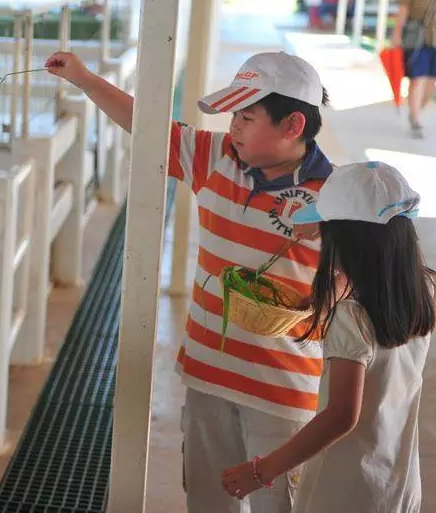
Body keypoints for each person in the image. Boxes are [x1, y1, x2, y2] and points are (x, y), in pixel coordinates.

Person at [45, 50, 333, 512]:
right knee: (207, 499)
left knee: (280, 504)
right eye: (233, 114)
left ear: (293, 125)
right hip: (207, 371)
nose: (233, 126)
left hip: (283, 388)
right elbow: (148, 124)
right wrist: (85, 79)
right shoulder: (214, 158)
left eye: (247, 116)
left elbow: (356, 293)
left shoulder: (336, 199)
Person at [221, 161, 434, 512]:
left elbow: (340, 415)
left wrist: (261, 471)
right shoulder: (423, 289)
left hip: (344, 491)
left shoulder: (352, 317)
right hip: (398, 485)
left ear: (346, 245)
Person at [391, 0, 436, 139]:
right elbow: (404, 9)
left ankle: (417, 110)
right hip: (419, 39)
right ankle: (416, 119)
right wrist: (396, 35)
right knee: (417, 79)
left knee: (432, 83)